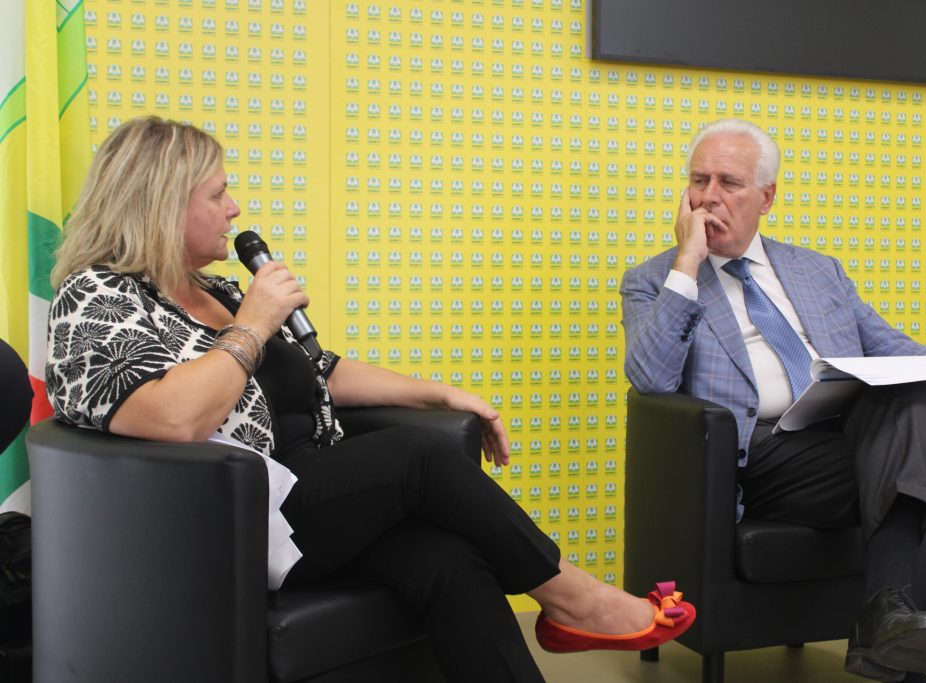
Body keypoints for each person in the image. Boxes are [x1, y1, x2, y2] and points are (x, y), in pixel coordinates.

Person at [44, 116, 694, 683]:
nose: (235, 208)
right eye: (217, 194)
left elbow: (319, 369)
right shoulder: (97, 297)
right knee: (418, 459)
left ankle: (559, 617)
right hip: (224, 518)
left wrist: (442, 393)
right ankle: (573, 596)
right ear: (161, 205)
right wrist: (254, 325)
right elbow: (173, 417)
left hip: (303, 491)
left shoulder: (214, 289)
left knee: (449, 562)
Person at [620, 118, 926, 683]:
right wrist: (687, 263)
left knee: (904, 400)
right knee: (912, 470)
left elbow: (888, 346)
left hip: (841, 440)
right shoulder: (654, 279)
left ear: (766, 197)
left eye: (729, 182)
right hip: (755, 455)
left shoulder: (817, 271)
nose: (709, 196)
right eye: (698, 180)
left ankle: (887, 617)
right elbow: (650, 379)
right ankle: (905, 647)